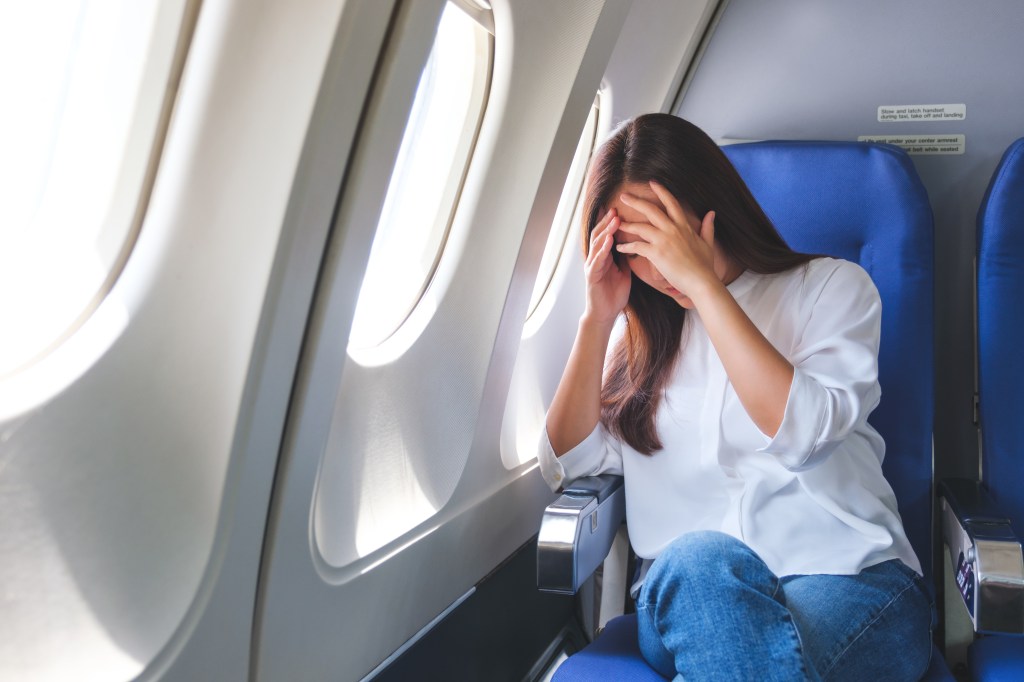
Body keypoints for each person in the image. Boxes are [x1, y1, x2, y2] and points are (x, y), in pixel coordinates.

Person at [538, 113, 933, 681]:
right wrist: (596, 319)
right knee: (697, 560)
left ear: (709, 208)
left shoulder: (832, 290)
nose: (654, 266)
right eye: (633, 245)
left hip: (849, 581)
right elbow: (567, 461)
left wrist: (704, 287)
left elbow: (801, 435)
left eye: (661, 235)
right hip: (692, 599)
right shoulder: (637, 337)